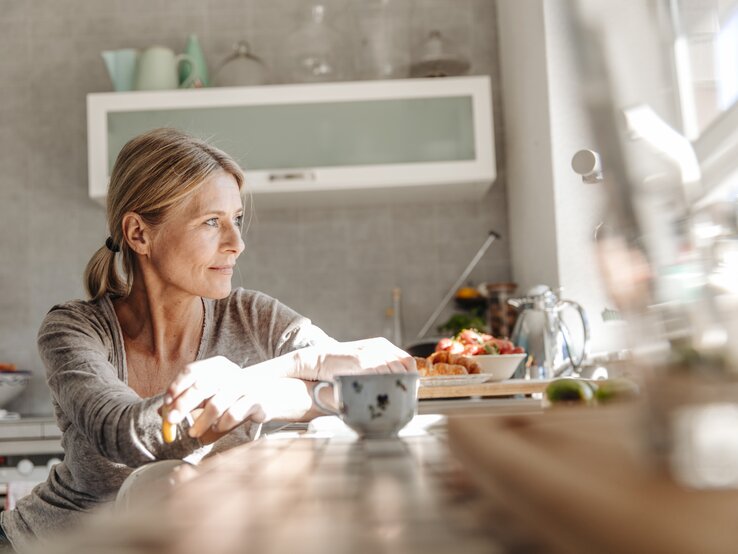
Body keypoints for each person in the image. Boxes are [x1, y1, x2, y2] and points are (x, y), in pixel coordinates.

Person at [0, 128, 416, 552]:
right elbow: (124, 433)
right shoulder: (74, 329)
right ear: (139, 234)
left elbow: (360, 390)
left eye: (235, 219)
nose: (237, 243)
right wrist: (287, 369)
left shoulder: (253, 316)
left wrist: (264, 396)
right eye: (211, 222)